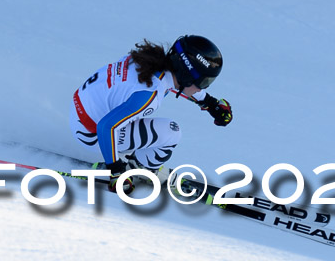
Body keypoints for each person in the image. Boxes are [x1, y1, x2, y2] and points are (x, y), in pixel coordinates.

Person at [69, 35, 232, 192]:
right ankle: (137, 167)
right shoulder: (150, 95)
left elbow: (177, 85)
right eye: (203, 82)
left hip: (82, 113)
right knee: (172, 132)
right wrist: (116, 171)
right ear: (186, 75)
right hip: (92, 133)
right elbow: (106, 127)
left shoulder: (152, 62)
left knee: (134, 117)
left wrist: (211, 104)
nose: (202, 88)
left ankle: (135, 160)